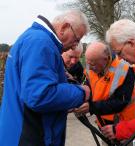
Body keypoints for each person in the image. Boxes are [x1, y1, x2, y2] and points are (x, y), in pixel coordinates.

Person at [0, 10, 91, 146]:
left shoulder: (33, 38)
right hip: (30, 137)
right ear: (65, 27)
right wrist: (81, 93)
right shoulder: (41, 43)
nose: (75, 45)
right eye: (77, 39)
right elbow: (39, 95)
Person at [74, 42, 135, 146]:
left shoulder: (124, 69)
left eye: (93, 63)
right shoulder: (91, 67)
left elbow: (120, 102)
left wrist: (91, 107)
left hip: (121, 126)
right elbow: (88, 87)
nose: (90, 67)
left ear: (106, 59)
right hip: (102, 124)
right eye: (88, 63)